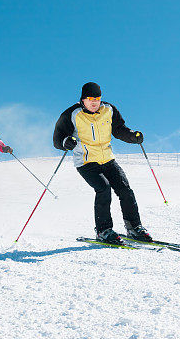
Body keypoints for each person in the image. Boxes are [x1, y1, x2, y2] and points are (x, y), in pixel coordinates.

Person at [53, 82, 152, 244]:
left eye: (97, 99)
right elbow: (57, 139)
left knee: (125, 189)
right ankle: (103, 230)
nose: (94, 102)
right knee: (103, 188)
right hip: (86, 162)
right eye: (90, 99)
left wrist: (133, 136)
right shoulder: (72, 114)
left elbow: (119, 129)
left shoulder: (109, 110)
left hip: (107, 159)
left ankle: (134, 228)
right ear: (83, 99)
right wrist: (66, 142)